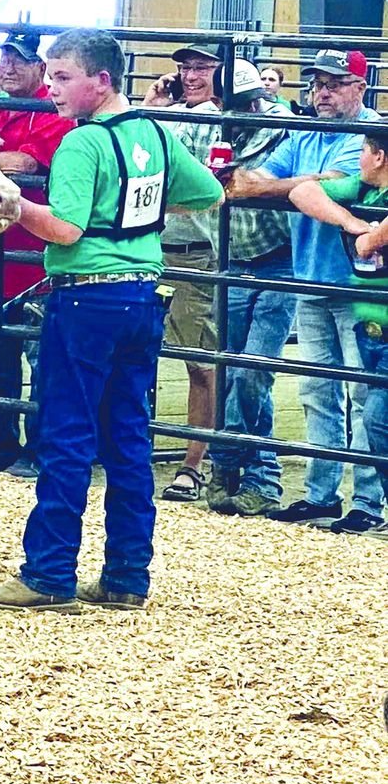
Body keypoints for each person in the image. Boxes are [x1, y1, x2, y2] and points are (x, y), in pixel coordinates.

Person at [0, 28, 223, 612]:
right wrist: (137, 214)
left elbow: (65, 229)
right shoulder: (154, 134)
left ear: (101, 80)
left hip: (85, 298)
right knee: (129, 438)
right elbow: (209, 191)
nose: (53, 90)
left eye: (63, 78)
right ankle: (127, 576)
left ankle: (49, 573)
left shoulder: (83, 144)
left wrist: (12, 204)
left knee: (67, 433)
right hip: (142, 295)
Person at [228, 49, 384, 533]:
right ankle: (322, 493)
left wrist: (265, 187)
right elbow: (273, 184)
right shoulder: (307, 131)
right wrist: (278, 186)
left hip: (360, 286)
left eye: (335, 83)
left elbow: (321, 182)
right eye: (318, 83)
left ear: (359, 86)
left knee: (363, 395)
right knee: (319, 389)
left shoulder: (369, 134)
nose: (322, 92)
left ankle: (367, 500)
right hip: (315, 275)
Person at [198, 60, 299, 517]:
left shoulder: (281, 128)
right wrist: (157, 106)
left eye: (255, 98)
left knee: (252, 370)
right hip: (232, 261)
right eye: (240, 102)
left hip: (278, 262)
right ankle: (243, 472)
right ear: (224, 102)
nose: (253, 107)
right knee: (234, 370)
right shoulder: (203, 126)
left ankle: (242, 467)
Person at [0, 33, 75, 477]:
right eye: (4, 59)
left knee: (41, 361)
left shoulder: (52, 115)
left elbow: (27, 164)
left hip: (37, 260)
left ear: (41, 68)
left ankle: (38, 450)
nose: (9, 67)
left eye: (20, 60)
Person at [292, 135, 388, 537]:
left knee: (374, 411)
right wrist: (351, 221)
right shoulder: (363, 188)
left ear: (378, 155)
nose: (359, 158)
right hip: (371, 317)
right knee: (355, 404)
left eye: (364, 151)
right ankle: (328, 494)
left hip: (372, 313)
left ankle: (368, 502)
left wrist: (373, 236)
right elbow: (303, 190)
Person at [142, 43, 222, 504]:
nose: (191, 76)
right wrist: (153, 106)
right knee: (137, 353)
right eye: (185, 68)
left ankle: (194, 463)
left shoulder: (218, 117)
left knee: (199, 360)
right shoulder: (164, 115)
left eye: (202, 68)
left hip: (195, 251)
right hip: (155, 247)